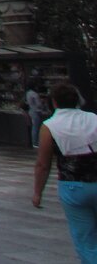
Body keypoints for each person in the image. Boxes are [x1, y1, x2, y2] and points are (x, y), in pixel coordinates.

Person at [32, 82, 97, 262]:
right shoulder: (93, 118)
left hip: (73, 186)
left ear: (54, 102)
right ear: (77, 100)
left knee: (85, 238)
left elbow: (43, 164)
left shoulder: (49, 126)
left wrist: (38, 192)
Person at [27, 82, 49, 148]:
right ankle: (36, 142)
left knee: (34, 127)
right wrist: (42, 102)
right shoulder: (35, 94)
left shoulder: (28, 93)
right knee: (36, 127)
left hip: (31, 110)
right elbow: (39, 105)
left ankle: (34, 142)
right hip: (36, 111)